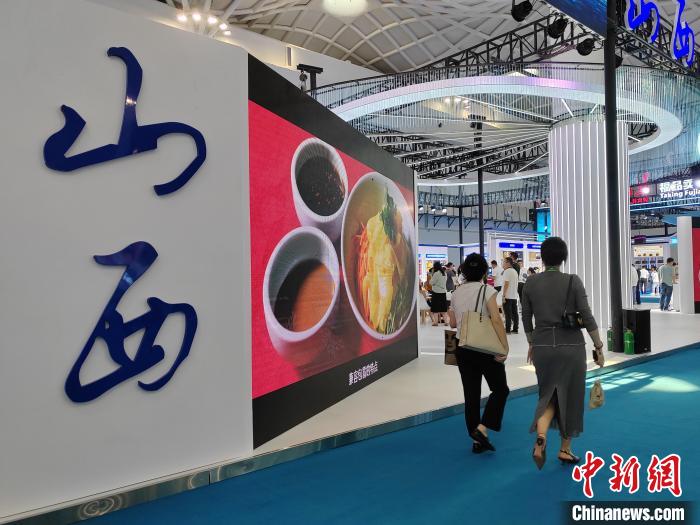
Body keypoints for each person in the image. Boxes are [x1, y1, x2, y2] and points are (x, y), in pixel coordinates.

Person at [522, 237, 605, 470]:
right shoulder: (572, 281)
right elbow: (586, 316)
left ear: (542, 257)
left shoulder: (530, 283)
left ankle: (541, 437)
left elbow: (526, 317)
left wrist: (532, 342)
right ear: (563, 258)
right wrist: (598, 346)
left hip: (542, 346)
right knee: (571, 397)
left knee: (547, 395)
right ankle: (565, 449)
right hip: (571, 347)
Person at [448, 253, 510, 454]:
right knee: (500, 390)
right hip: (485, 348)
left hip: (463, 346)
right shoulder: (487, 290)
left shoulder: (456, 292)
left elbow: (453, 323)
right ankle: (482, 429)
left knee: (471, 394)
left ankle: (476, 441)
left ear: (464, 271)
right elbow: (496, 320)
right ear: (484, 271)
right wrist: (504, 346)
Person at [502, 257, 519, 334]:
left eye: (504, 262)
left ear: (508, 263)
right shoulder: (515, 271)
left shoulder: (507, 271)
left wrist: (503, 295)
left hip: (508, 296)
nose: (503, 264)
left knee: (508, 314)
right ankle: (515, 329)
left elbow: (506, 284)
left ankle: (507, 330)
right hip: (514, 296)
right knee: (515, 313)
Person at [429, 261, 448, 326]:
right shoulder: (444, 273)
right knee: (443, 308)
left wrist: (431, 275)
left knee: (435, 308)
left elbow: (431, 282)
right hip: (443, 292)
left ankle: (436, 322)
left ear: (435, 267)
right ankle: (446, 322)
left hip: (436, 292)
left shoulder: (436, 273)